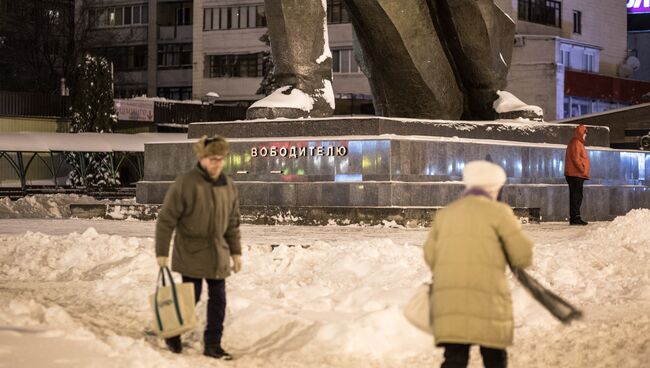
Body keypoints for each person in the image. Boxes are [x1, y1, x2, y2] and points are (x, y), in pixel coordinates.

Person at [423, 160, 534, 368]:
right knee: (494, 357)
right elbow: (522, 255)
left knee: (454, 359)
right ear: (494, 187)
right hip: (488, 299)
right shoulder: (500, 213)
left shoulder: (446, 214)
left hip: (450, 299)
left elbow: (430, 255)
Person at [155, 135, 242, 360]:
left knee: (218, 300)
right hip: (191, 251)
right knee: (189, 297)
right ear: (202, 158)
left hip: (218, 253)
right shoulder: (186, 182)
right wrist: (162, 252)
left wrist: (236, 251)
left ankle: (213, 344)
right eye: (213, 159)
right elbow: (166, 219)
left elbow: (232, 222)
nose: (217, 164)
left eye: (221, 159)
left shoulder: (228, 185)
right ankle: (173, 334)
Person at [564, 124, 590, 225]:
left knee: (576, 196)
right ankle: (575, 218)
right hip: (575, 174)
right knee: (576, 197)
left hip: (575, 174)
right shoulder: (576, 142)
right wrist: (582, 169)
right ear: (580, 133)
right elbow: (575, 158)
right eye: (584, 133)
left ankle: (575, 217)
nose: (585, 136)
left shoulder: (576, 142)